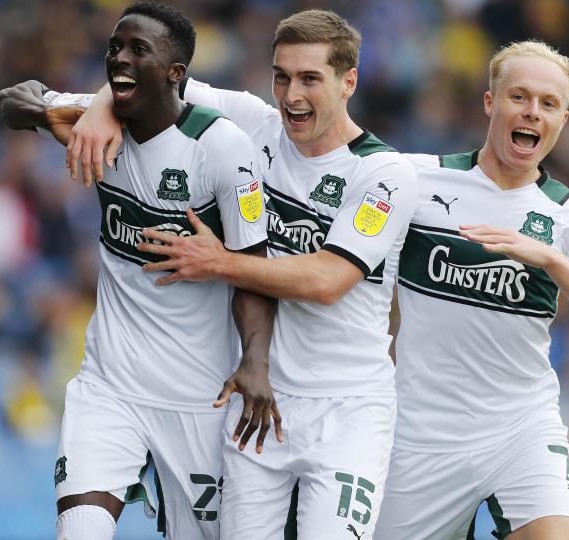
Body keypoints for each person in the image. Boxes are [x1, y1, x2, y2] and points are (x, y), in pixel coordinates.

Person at [60, 9, 419, 540]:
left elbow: (328, 280)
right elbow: (149, 76)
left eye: (309, 79)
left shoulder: (382, 173)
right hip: (256, 398)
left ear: (350, 82)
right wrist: (100, 109)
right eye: (282, 76)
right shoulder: (253, 123)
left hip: (347, 408)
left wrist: (220, 262)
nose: (291, 95)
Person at [0, 3, 278, 539]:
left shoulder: (223, 149)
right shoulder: (97, 123)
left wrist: (256, 363)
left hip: (198, 396)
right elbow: (11, 100)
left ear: (176, 73)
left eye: (137, 50)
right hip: (110, 384)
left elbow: (253, 270)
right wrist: (69, 111)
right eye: (114, 48)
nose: (119, 59)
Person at [376, 41, 569, 540]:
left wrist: (551, 259)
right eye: (519, 97)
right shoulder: (414, 178)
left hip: (522, 427)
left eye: (548, 104)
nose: (532, 112)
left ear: (563, 120)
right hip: (420, 433)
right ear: (489, 103)